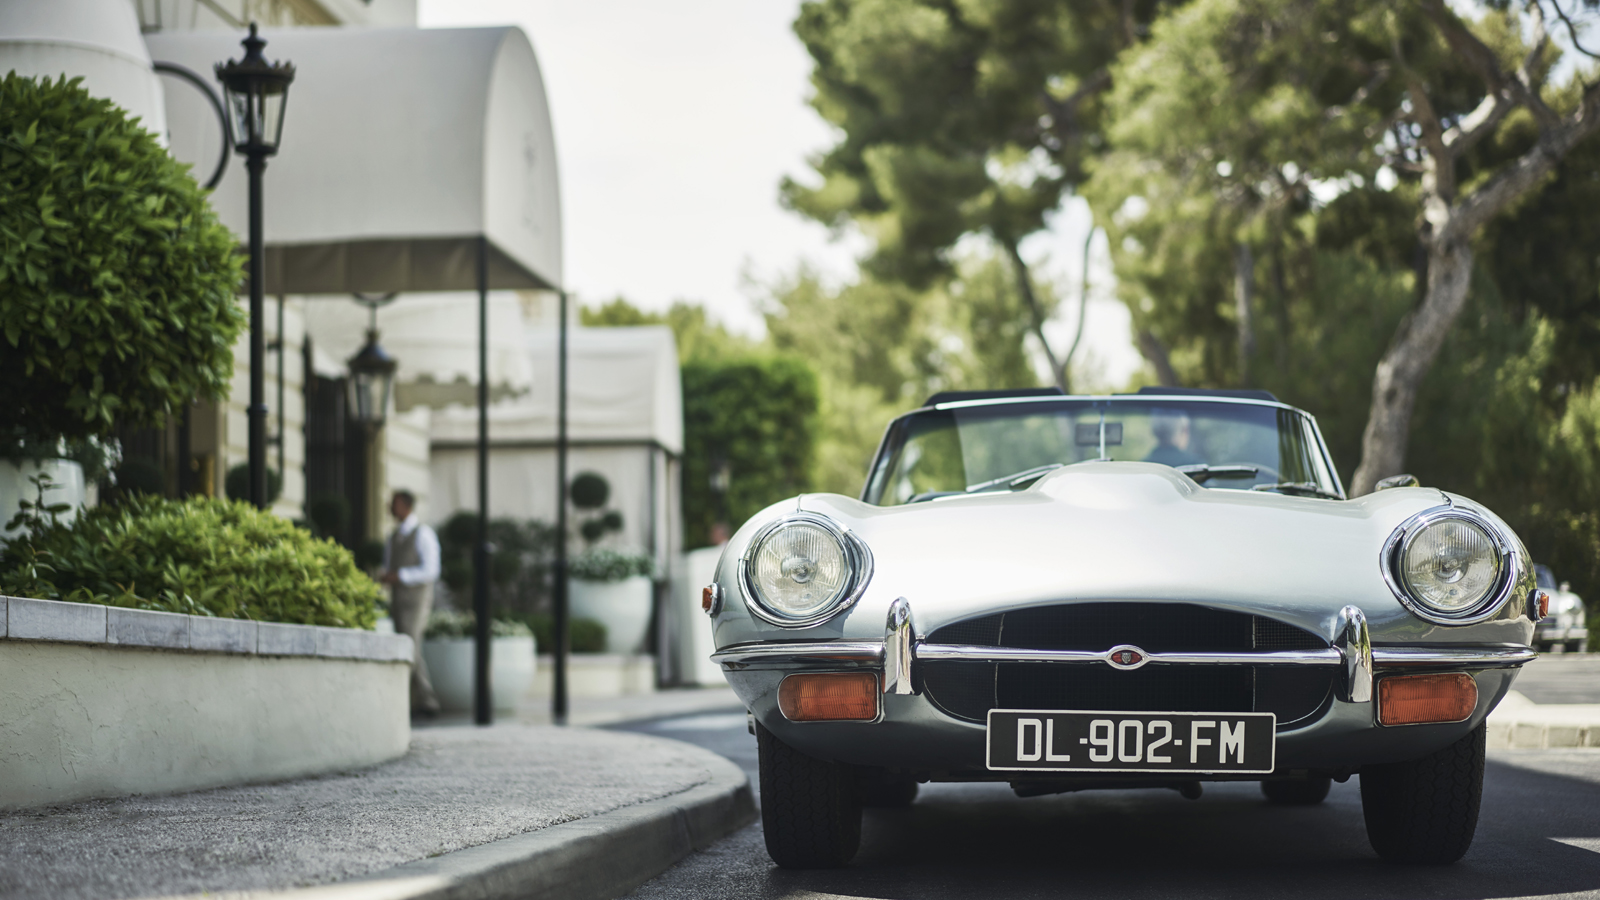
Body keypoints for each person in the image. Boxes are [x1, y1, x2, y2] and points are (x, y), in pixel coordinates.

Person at [381, 489, 441, 717]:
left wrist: (401, 576)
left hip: (416, 601)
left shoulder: (423, 534)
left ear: (405, 506)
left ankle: (426, 699)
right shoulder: (394, 537)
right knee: (406, 646)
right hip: (398, 600)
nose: (389, 508)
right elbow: (388, 565)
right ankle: (416, 701)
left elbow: (431, 570)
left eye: (393, 503)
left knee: (411, 646)